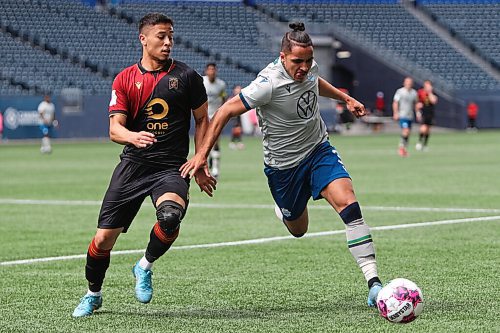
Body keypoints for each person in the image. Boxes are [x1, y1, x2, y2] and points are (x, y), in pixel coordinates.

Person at [180, 22, 383, 308]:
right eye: (297, 61)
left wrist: (345, 98)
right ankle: (284, 210)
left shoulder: (308, 68)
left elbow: (315, 82)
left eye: (308, 61)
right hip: (283, 168)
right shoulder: (267, 84)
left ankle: (374, 284)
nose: (304, 67)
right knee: (298, 229)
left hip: (318, 150)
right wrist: (202, 154)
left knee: (349, 205)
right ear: (283, 56)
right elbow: (225, 110)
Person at [72, 13, 216, 318]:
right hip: (133, 166)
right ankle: (93, 294)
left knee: (170, 216)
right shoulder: (124, 79)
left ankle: (144, 266)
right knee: (102, 240)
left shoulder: (187, 77)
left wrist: (200, 160)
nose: (167, 42)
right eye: (161, 36)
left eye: (171, 36)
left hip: (170, 168)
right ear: (143, 39)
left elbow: (203, 120)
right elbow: (115, 130)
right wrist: (132, 137)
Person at [203, 63, 227, 178]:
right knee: (204, 142)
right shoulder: (202, 82)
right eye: (210, 69)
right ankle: (206, 165)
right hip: (203, 117)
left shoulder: (221, 84)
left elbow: (223, 99)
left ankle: (216, 168)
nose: (212, 72)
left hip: (216, 116)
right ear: (206, 71)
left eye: (213, 69)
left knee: (216, 141)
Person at [392, 77, 418, 157]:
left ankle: (404, 148)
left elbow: (416, 103)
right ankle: (401, 148)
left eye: (410, 82)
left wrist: (417, 113)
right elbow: (395, 102)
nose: (409, 84)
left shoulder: (414, 93)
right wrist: (395, 113)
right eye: (407, 82)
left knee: (408, 133)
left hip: (410, 115)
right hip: (402, 115)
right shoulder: (400, 92)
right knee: (406, 131)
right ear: (404, 83)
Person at [416, 80, 438, 151]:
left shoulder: (432, 93)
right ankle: (419, 142)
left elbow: (434, 101)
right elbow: (417, 103)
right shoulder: (420, 92)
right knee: (424, 127)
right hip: (424, 112)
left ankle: (425, 144)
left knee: (428, 129)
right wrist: (418, 112)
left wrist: (430, 93)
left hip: (430, 112)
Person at [228, 85, 245, 150]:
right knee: (236, 128)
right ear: (234, 90)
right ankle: (237, 142)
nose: (239, 90)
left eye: (239, 89)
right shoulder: (232, 98)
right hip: (234, 115)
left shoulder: (241, 97)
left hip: (239, 115)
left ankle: (234, 142)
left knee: (238, 129)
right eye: (237, 89)